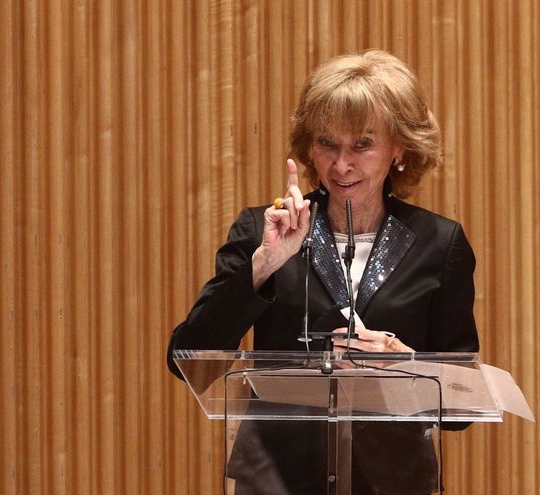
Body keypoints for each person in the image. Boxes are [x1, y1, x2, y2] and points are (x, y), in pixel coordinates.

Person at [167, 49, 479, 494]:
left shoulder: (439, 243)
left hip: (392, 482)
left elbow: (464, 406)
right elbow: (189, 361)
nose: (341, 165)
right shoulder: (263, 230)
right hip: (277, 479)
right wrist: (263, 266)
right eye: (327, 143)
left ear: (400, 149)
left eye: (362, 145)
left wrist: (407, 364)